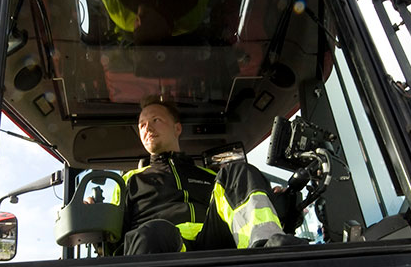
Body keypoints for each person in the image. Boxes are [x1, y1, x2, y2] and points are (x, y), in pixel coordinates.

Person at [112, 97, 307, 255]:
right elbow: (110, 240)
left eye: (155, 120)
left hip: (215, 242)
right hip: (163, 250)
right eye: (142, 125)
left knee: (238, 171)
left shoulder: (214, 177)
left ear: (177, 128)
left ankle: (266, 249)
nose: (147, 128)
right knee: (155, 231)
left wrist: (274, 200)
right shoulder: (128, 181)